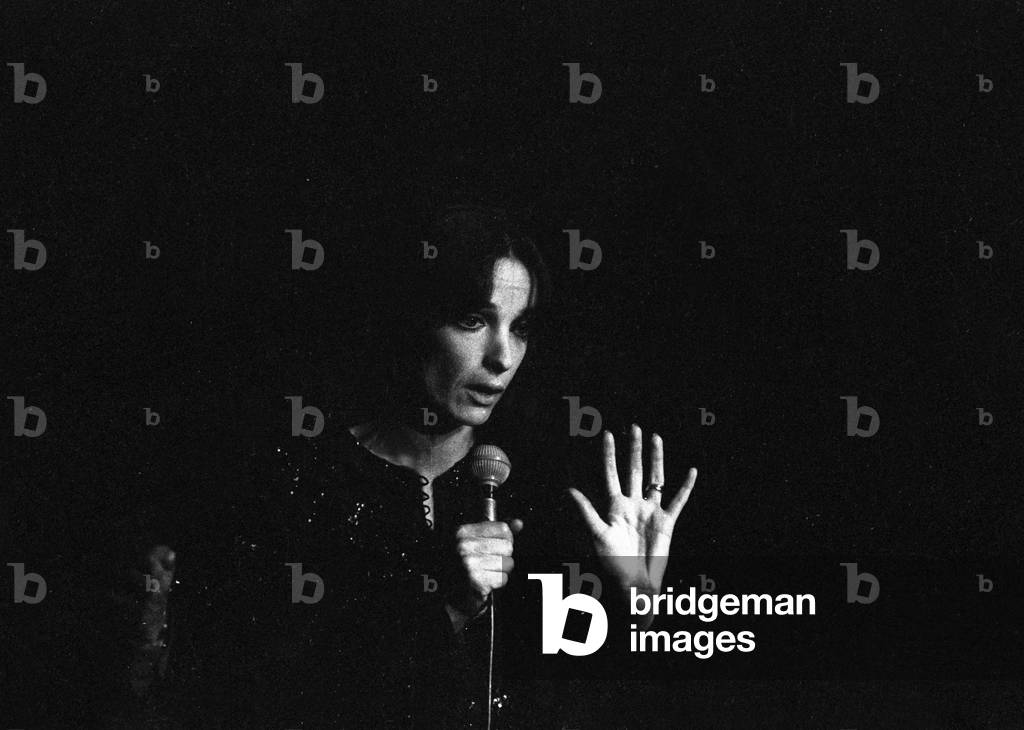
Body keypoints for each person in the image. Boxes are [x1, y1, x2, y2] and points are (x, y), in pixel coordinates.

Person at [107, 201, 698, 728]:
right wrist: (449, 606)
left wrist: (638, 604)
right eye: (473, 321)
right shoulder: (302, 482)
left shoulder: (548, 502)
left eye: (520, 329)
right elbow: (266, 698)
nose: (502, 357)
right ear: (413, 318)